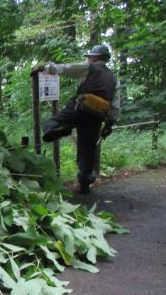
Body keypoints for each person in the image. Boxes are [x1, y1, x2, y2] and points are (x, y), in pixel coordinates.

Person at [34, 44, 120, 194]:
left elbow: (66, 69)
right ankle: (84, 183)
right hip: (96, 116)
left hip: (80, 108)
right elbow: (115, 105)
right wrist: (109, 124)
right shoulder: (114, 78)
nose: (89, 58)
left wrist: (45, 68)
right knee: (88, 149)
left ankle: (63, 128)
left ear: (97, 57)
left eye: (91, 56)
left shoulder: (90, 68)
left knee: (52, 123)